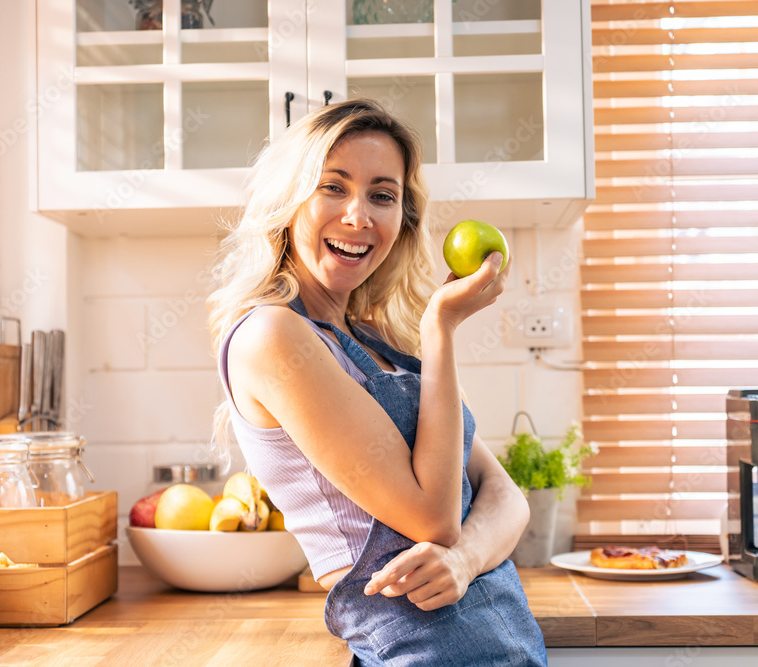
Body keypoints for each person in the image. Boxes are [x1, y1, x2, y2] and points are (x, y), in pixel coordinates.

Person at [208, 98, 547, 666]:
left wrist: (464, 563)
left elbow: (505, 495)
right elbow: (432, 518)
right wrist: (440, 325)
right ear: (288, 201)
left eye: (382, 195)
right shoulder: (273, 335)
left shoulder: (372, 338)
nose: (359, 216)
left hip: (508, 643)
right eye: (333, 187)